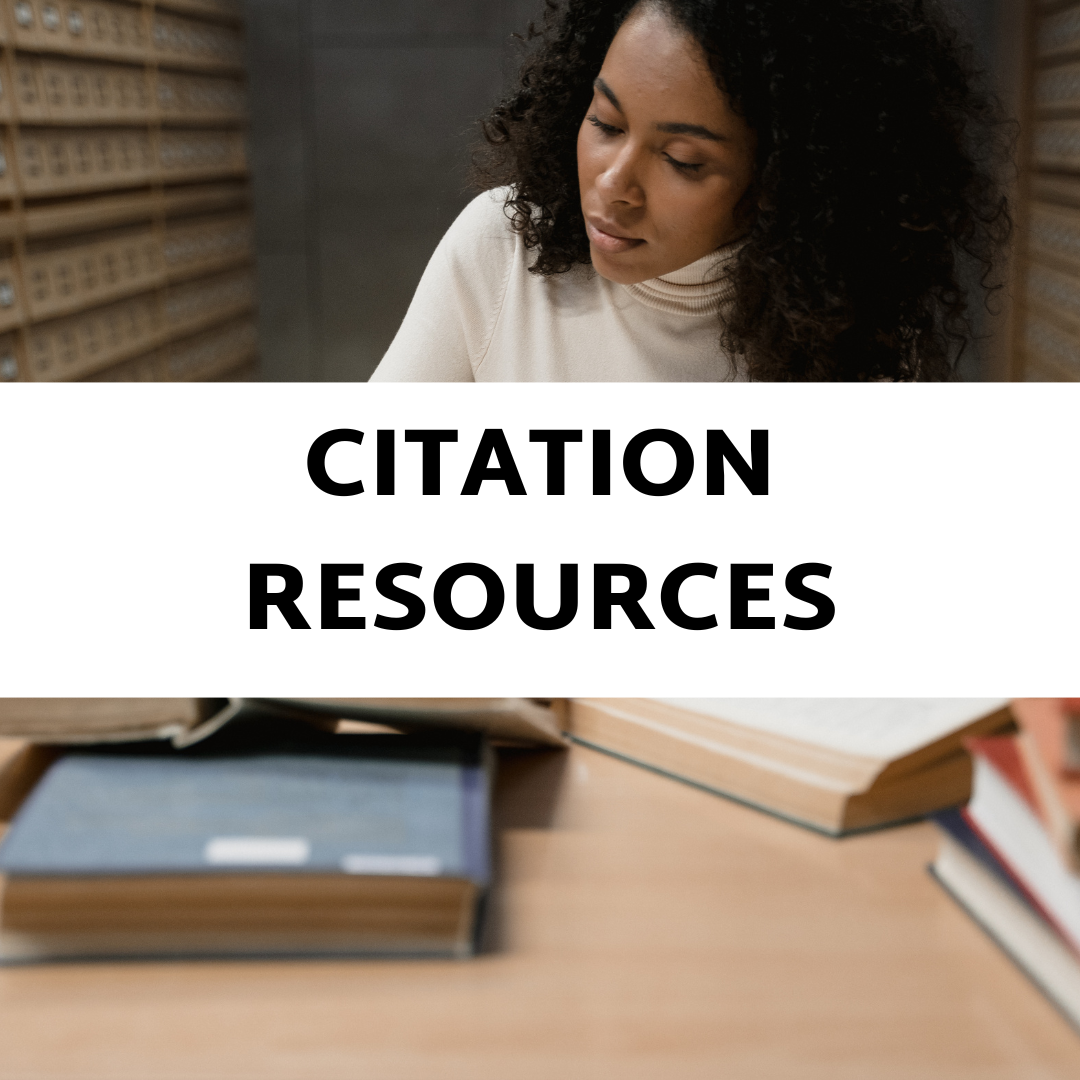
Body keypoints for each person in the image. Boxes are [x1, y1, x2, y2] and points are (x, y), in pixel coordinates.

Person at [370, 0, 1010, 383]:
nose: (615, 183)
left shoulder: (844, 343)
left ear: (778, 183)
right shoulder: (502, 250)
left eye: (681, 160)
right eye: (605, 123)